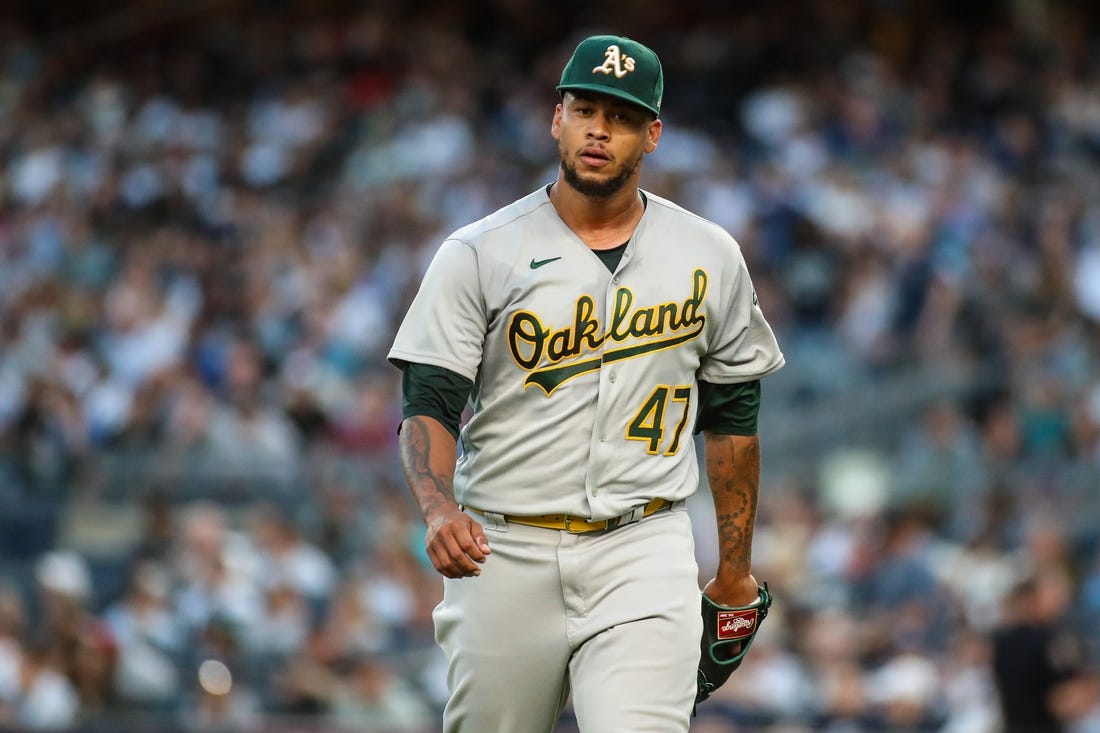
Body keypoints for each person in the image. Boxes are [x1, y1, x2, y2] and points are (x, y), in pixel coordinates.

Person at [388, 34, 785, 732]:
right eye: (584, 109)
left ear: (653, 134)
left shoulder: (708, 254)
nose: (599, 128)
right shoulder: (479, 252)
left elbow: (733, 418)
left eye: (623, 116)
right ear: (557, 118)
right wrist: (437, 507)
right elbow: (430, 400)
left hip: (644, 541)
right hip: (503, 547)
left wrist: (734, 571)